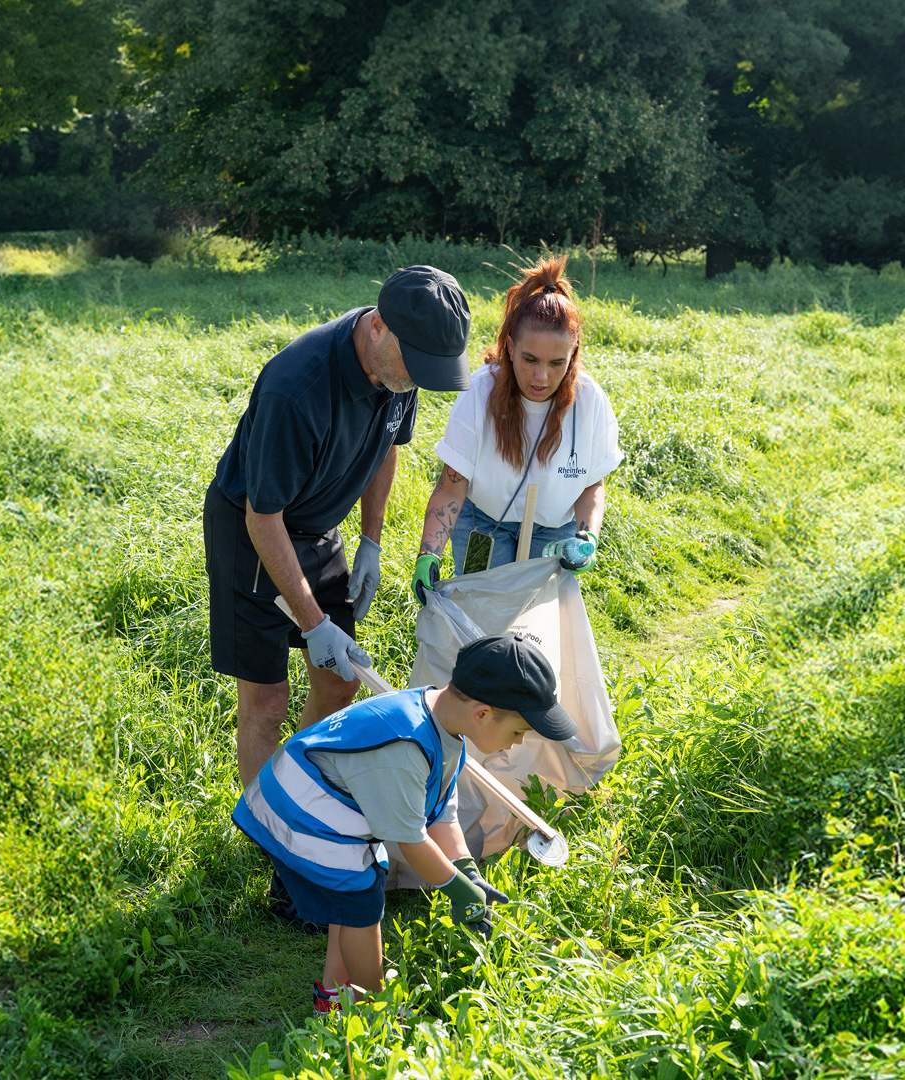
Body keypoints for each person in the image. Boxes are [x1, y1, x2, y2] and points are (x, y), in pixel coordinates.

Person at [205, 265, 471, 790]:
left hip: (319, 527)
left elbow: (387, 448)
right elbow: (263, 517)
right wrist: (312, 623)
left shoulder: (399, 367)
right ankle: (264, 819)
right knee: (267, 702)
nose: (418, 379)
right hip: (252, 536)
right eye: (416, 364)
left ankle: (300, 794)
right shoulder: (296, 389)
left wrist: (371, 540)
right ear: (378, 326)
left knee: (340, 681)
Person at [232, 634, 576, 1013]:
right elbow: (412, 841)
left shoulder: (444, 726)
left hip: (326, 808)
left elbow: (441, 813)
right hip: (299, 812)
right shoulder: (406, 747)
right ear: (481, 713)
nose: (517, 743)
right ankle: (373, 1007)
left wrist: (467, 871)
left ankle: (334, 997)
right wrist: (457, 889)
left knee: (358, 888)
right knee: (362, 903)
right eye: (518, 732)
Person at [412, 256, 621, 604]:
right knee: (483, 614)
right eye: (530, 359)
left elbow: (592, 486)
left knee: (536, 623)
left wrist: (588, 538)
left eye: (557, 363)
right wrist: (428, 555)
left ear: (573, 353)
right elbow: (451, 487)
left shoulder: (590, 401)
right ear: (510, 348)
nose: (541, 377)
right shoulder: (479, 393)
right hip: (482, 524)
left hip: (553, 533)